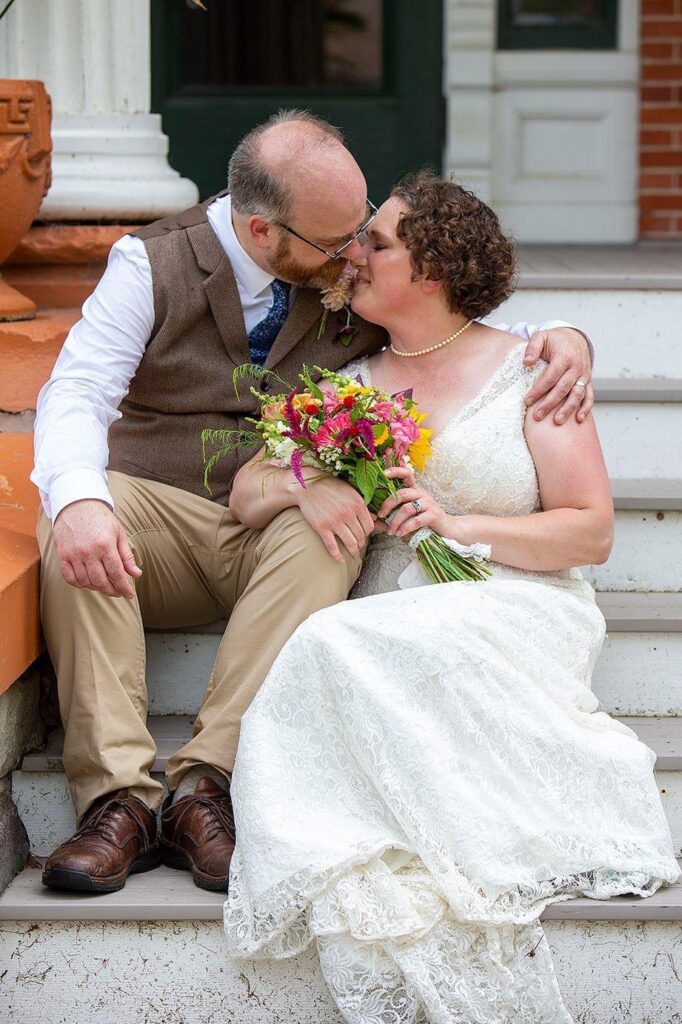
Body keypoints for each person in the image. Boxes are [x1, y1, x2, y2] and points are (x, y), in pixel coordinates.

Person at [32, 109, 593, 895]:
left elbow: (454, 319)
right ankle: (117, 800)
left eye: (366, 232)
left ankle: (206, 787)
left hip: (271, 541)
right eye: (341, 243)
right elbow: (78, 391)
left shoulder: (346, 278)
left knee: (329, 522)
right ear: (264, 231)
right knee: (74, 511)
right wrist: (79, 500)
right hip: (157, 524)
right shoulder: (148, 263)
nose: (358, 253)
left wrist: (566, 333)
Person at [222, 172, 680, 1023]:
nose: (353, 253)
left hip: (519, 602)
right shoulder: (349, 385)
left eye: (378, 242)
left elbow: (591, 531)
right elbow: (247, 491)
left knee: (333, 643)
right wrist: (305, 487)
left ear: (430, 270)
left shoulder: (533, 369)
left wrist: (456, 524)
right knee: (345, 639)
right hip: (401, 611)